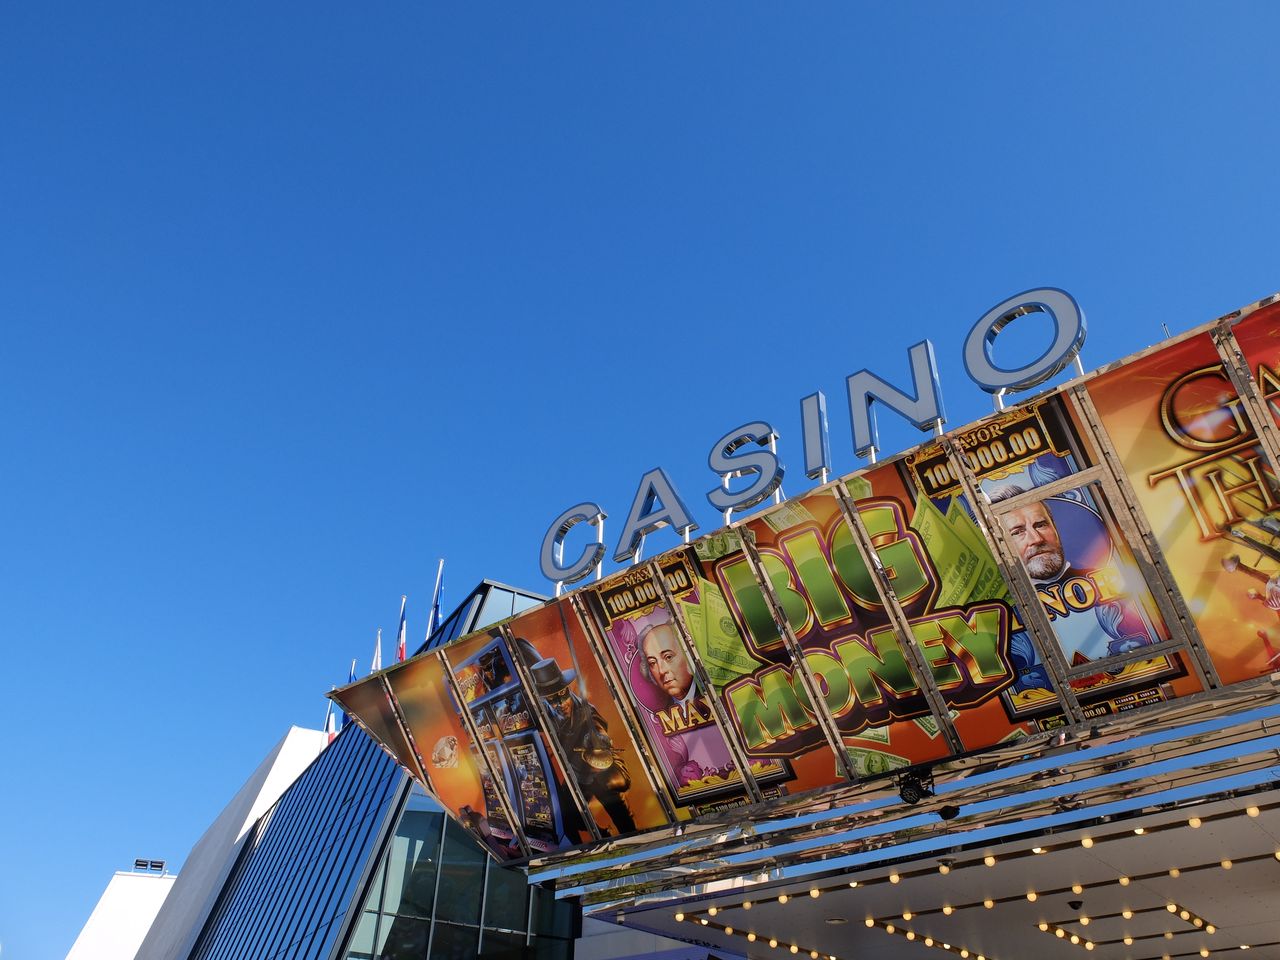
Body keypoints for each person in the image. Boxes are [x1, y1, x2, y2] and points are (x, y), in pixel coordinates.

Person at [520, 648, 637, 836]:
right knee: (568, 818)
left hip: (598, 773)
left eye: (562, 695)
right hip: (576, 775)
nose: (560, 703)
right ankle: (602, 834)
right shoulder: (547, 712)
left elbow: (599, 729)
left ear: (567, 689)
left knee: (623, 820)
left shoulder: (586, 711)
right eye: (552, 699)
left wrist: (599, 740)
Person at [639, 622, 696, 706]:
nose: (661, 671)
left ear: (688, 653)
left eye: (668, 657)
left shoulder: (713, 689)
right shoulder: (661, 709)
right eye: (652, 663)